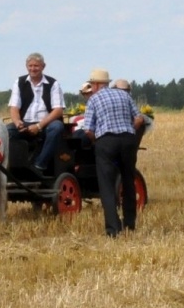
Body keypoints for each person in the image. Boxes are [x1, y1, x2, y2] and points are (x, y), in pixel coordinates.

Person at [79, 69, 146, 236]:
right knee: (128, 181)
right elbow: (139, 119)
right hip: (128, 140)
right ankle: (130, 224)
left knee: (107, 186)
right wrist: (130, 130)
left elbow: (87, 129)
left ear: (95, 84)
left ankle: (113, 229)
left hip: (106, 142)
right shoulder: (124, 95)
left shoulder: (93, 99)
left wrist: (97, 141)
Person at [7, 52, 65, 175]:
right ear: (26, 66)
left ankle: (40, 164)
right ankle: (11, 166)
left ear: (43, 66)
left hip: (45, 125)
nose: (33, 69)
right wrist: (18, 123)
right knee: (7, 131)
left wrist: (39, 126)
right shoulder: (19, 82)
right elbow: (14, 107)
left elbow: (58, 110)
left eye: (36, 66)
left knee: (57, 127)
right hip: (25, 124)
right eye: (30, 66)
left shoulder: (53, 84)